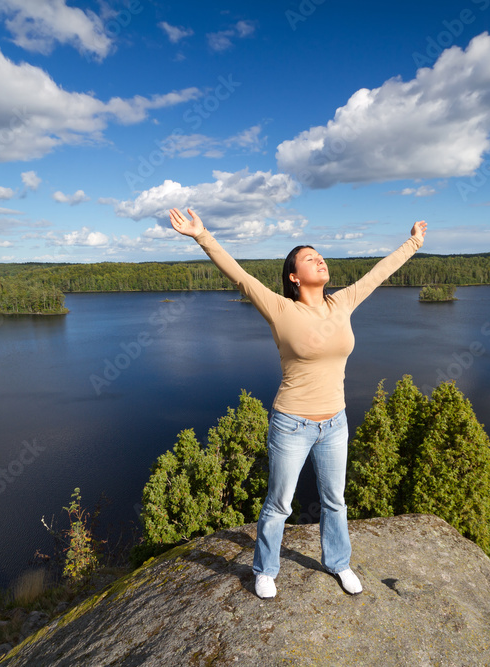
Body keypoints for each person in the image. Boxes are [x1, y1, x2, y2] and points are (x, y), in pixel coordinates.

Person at [168, 207, 428, 599]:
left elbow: (379, 273)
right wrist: (202, 235)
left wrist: (413, 243)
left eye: (320, 256)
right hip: (292, 423)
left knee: (335, 501)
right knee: (279, 504)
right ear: (294, 276)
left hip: (335, 423)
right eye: (310, 258)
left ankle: (338, 562)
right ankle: (265, 570)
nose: (320, 260)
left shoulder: (342, 303)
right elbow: (239, 276)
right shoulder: (281, 309)